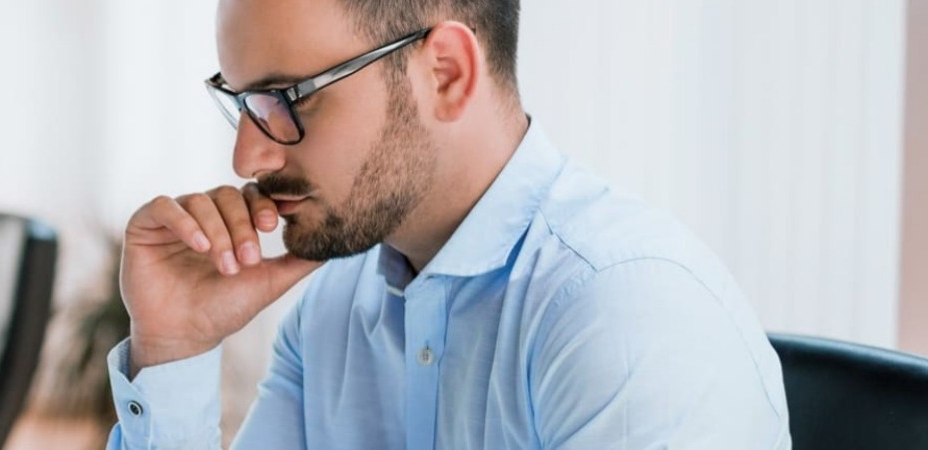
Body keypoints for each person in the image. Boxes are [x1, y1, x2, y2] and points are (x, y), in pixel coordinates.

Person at [107, 0, 790, 448]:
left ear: (447, 74)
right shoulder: (334, 310)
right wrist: (174, 347)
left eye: (285, 100)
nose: (247, 156)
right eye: (244, 104)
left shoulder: (625, 317)